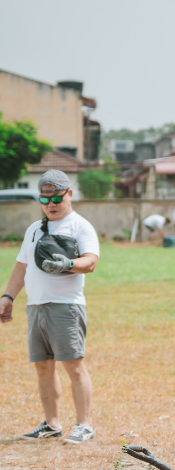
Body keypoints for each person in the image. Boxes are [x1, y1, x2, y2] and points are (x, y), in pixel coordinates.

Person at [0, 170, 100, 444]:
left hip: (65, 307)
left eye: (57, 197)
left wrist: (68, 264)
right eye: (45, 199)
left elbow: (90, 261)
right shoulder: (34, 229)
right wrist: (8, 297)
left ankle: (84, 425)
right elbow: (22, 266)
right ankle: (52, 424)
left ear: (69, 194)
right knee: (43, 367)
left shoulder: (80, 225)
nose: (51, 203)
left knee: (73, 366)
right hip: (36, 307)